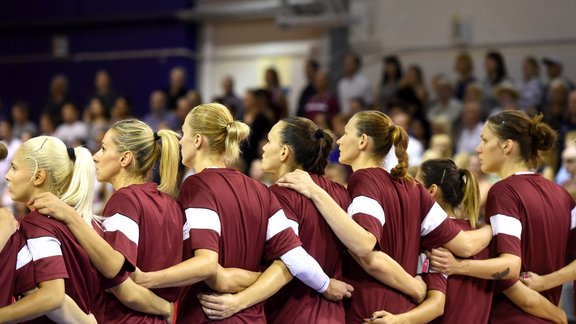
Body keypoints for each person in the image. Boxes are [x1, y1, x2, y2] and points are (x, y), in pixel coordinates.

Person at [132, 103, 352, 323]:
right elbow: (292, 257)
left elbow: (207, 265)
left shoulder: (198, 185)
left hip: (210, 313)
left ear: (198, 140)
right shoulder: (260, 189)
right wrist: (254, 278)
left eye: (184, 133)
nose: (180, 140)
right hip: (257, 317)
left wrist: (145, 279)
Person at [197, 117, 423, 323]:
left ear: (284, 152)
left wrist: (239, 301)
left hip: (291, 313)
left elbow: (289, 263)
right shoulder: (341, 193)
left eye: (269, 140)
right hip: (336, 314)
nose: (264, 147)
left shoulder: (280, 194)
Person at [277, 110, 493, 323]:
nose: (340, 141)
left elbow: (365, 247)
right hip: (407, 311)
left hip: (370, 311)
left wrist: (315, 192)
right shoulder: (415, 186)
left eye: (346, 133)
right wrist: (494, 226)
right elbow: (465, 245)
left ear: (363, 141)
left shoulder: (364, 180)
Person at [31, 120, 183, 323]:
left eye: (103, 148)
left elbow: (119, 282)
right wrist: (165, 307)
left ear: (125, 158)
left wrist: (69, 214)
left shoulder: (125, 199)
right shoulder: (170, 204)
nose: (95, 156)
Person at [430, 111, 570, 323]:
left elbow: (510, 267)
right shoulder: (563, 195)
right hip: (546, 316)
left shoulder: (504, 191)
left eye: (485, 140)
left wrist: (459, 266)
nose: (478, 149)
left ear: (507, 146)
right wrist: (547, 284)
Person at [0, 136, 101, 323]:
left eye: (14, 168)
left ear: (38, 177)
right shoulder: (76, 224)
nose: (7, 175)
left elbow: (53, 296)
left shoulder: (36, 225)